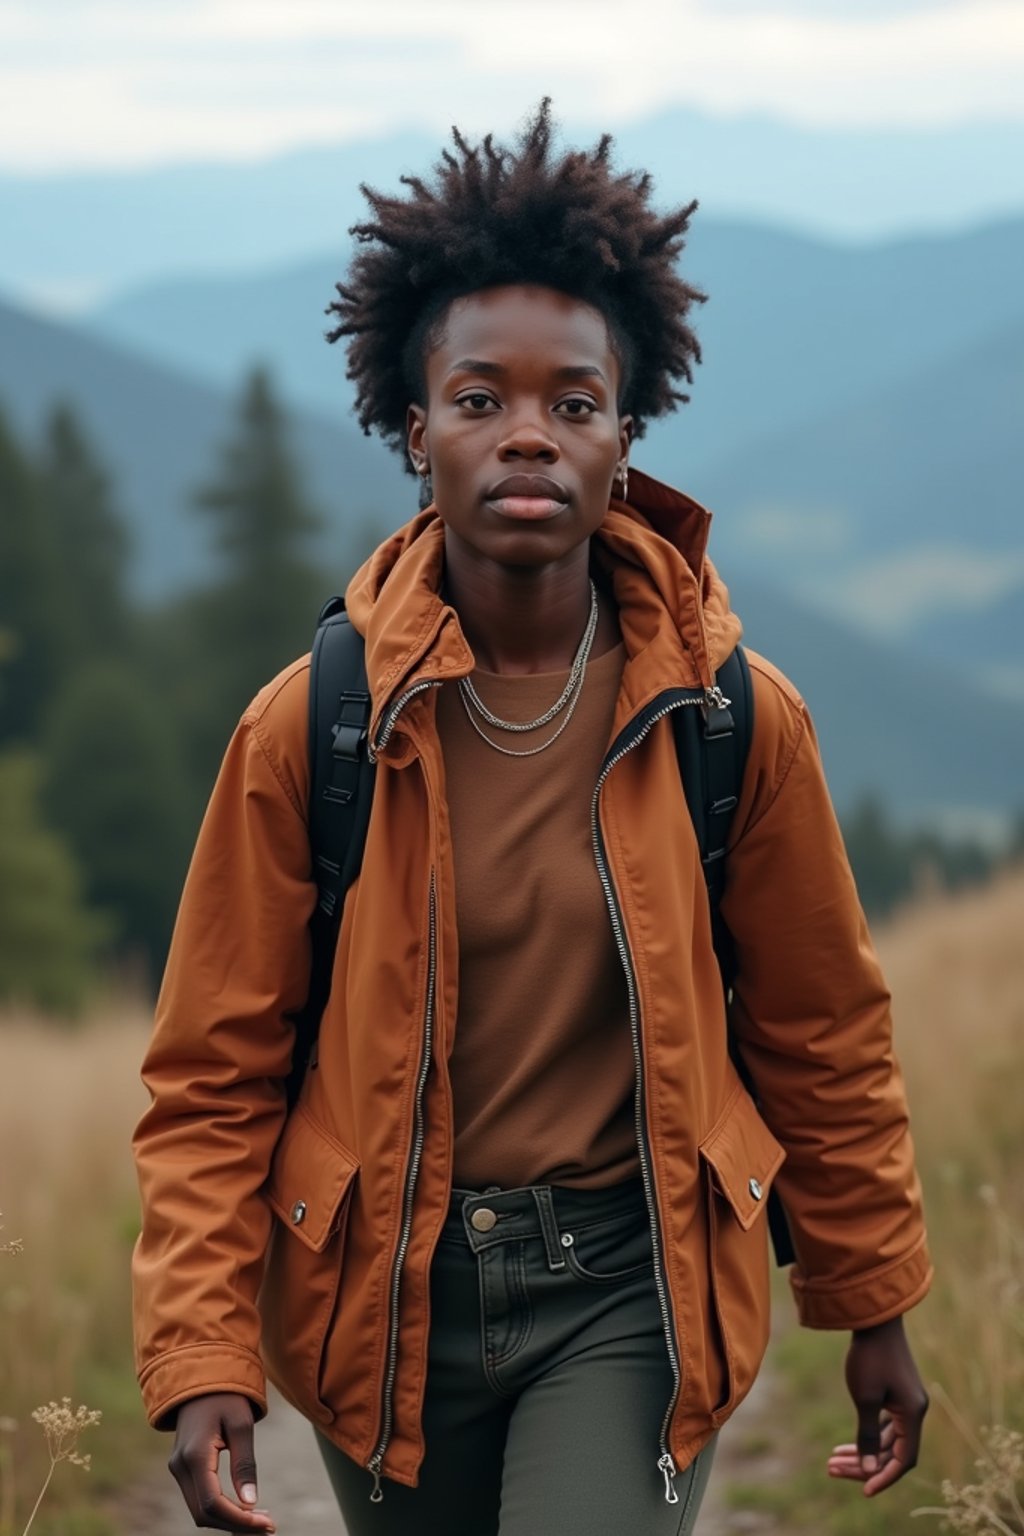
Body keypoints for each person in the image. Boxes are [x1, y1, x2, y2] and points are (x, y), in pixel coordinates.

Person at [131, 101, 932, 1536]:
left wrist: (869, 1297)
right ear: (411, 425)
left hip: (632, 1288)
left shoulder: (732, 717)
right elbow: (212, 1071)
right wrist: (203, 1358)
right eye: (480, 398)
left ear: (627, 436)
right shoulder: (308, 728)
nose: (527, 436)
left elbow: (824, 1025)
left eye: (574, 403)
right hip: (385, 1302)